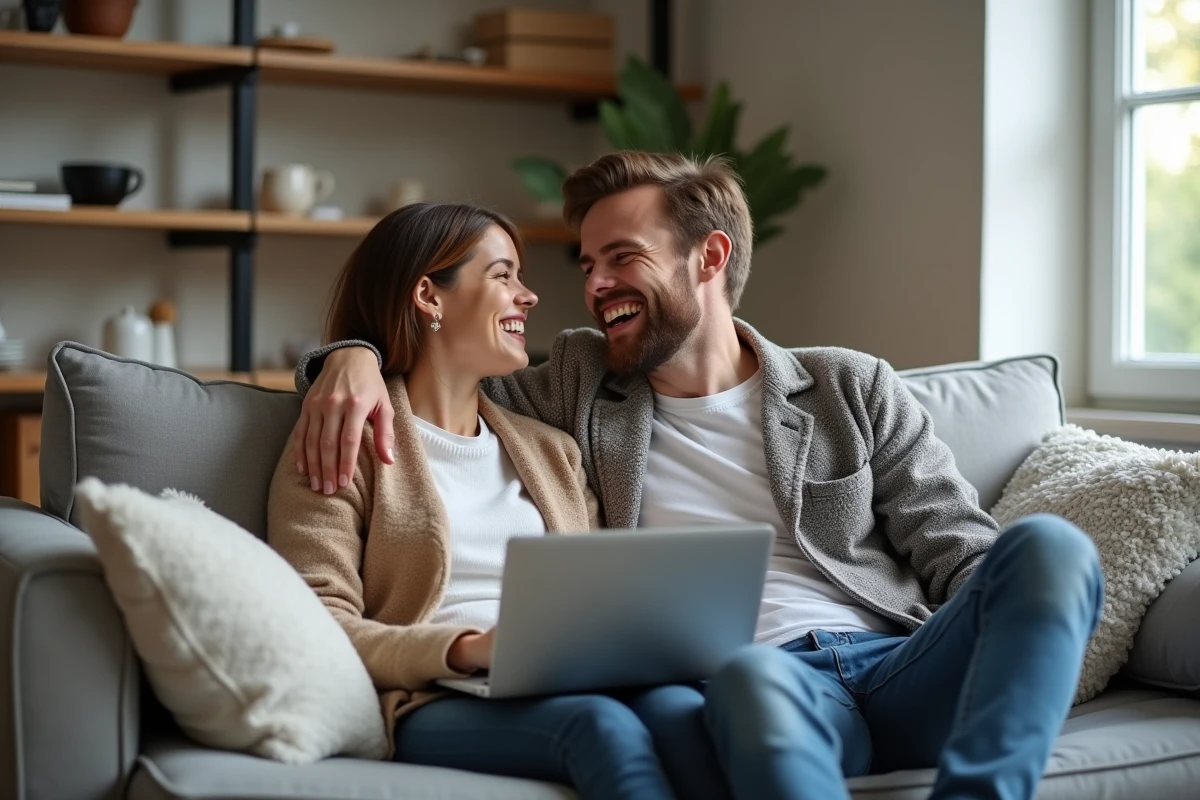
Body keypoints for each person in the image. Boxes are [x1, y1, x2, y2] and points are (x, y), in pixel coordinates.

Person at [290, 153, 1104, 800]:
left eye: (623, 257)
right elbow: (435, 375)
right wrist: (347, 357)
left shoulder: (848, 387)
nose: (593, 284)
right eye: (587, 263)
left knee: (1050, 550)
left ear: (708, 257)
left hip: (897, 663)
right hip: (760, 689)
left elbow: (963, 554)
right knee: (749, 674)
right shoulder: (574, 387)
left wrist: (1006, 656)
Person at [268, 202, 719, 800]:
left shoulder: (551, 450)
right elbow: (318, 623)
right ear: (429, 295)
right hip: (434, 694)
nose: (528, 297)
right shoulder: (341, 440)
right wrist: (469, 649)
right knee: (600, 728)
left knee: (685, 712)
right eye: (502, 275)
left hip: (563, 679)